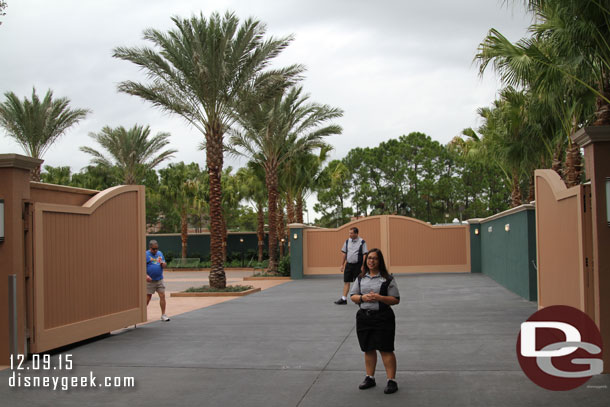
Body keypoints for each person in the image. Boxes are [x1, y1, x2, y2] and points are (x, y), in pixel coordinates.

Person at [349, 248, 400, 394]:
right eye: (369, 258)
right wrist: (362, 298)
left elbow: (396, 299)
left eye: (375, 258)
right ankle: (370, 377)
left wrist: (380, 298)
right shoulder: (360, 278)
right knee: (368, 348)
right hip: (364, 317)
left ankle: (391, 380)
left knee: (386, 349)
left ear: (380, 261)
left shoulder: (387, 279)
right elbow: (353, 296)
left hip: (383, 317)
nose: (371, 261)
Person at [335, 227, 368, 304]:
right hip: (349, 265)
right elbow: (344, 253)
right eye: (349, 233)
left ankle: (360, 298)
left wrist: (363, 265)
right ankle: (344, 299)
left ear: (356, 233)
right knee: (346, 281)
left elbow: (365, 254)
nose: (350, 234)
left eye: (351, 233)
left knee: (359, 282)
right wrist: (342, 264)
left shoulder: (362, 242)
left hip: (358, 265)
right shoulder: (347, 241)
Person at [146, 240, 170, 322]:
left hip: (159, 279)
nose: (155, 250)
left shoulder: (160, 253)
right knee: (147, 298)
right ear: (150, 248)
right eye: (153, 249)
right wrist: (146, 276)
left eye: (157, 248)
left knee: (162, 296)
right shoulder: (146, 254)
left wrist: (163, 265)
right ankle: (143, 313)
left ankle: (163, 315)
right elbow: (142, 266)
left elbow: (164, 264)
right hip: (150, 281)